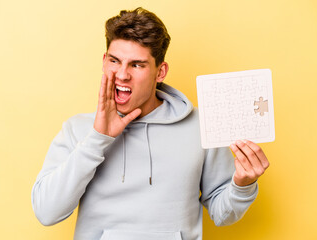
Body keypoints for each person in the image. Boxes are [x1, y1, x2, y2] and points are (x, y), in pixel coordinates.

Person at [31, 7, 269, 240]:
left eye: (137, 65)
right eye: (115, 61)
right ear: (104, 61)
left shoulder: (201, 125)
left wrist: (242, 185)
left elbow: (222, 214)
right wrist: (98, 138)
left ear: (160, 71)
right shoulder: (77, 129)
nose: (122, 75)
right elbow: (47, 212)